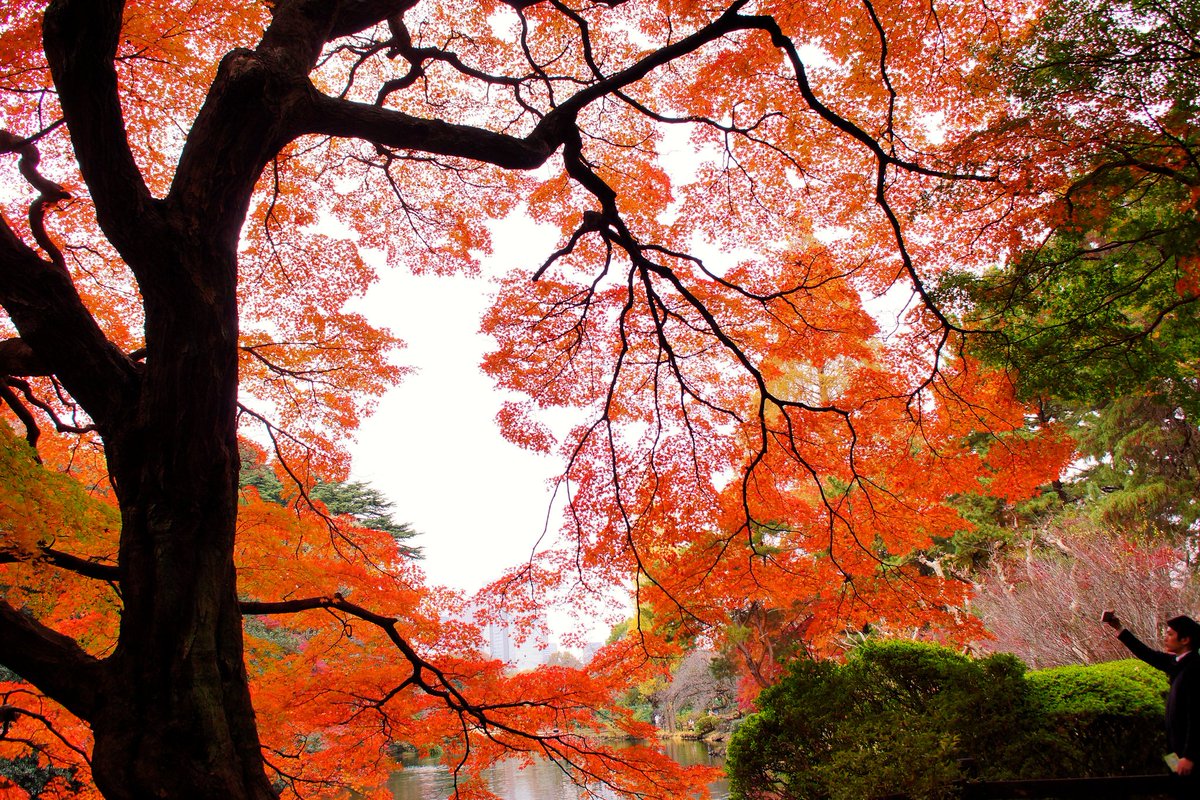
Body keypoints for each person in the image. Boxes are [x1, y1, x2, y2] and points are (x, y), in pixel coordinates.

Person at [1103, 609, 1200, 791]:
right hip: (1174, 752)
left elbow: (1196, 715)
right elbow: (1148, 654)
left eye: (1170, 634)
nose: (1165, 638)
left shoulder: (1194, 669)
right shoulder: (1177, 664)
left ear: (1185, 640)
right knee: (1176, 787)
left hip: (1188, 758)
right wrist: (1119, 628)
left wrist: (1190, 756)